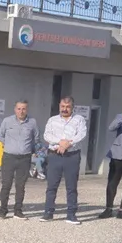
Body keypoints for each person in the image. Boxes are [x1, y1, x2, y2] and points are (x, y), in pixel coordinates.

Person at [41, 96, 87, 225]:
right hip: (55, 155)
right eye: (62, 106)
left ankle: (71, 214)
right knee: (51, 186)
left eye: (67, 107)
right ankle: (48, 212)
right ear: (59, 106)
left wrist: (68, 144)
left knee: (71, 186)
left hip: (71, 156)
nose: (64, 109)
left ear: (72, 107)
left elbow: (81, 134)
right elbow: (47, 135)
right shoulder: (52, 120)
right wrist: (60, 142)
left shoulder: (79, 120)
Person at [0, 100, 40, 219]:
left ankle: (18, 211)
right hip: (9, 157)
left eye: (24, 109)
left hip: (24, 159)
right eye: (19, 108)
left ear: (27, 110)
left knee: (20, 186)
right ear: (15, 109)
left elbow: (36, 139)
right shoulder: (7, 121)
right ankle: (3, 210)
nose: (21, 111)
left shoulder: (32, 122)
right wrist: (9, 145)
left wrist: (33, 150)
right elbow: (0, 135)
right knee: (6, 185)